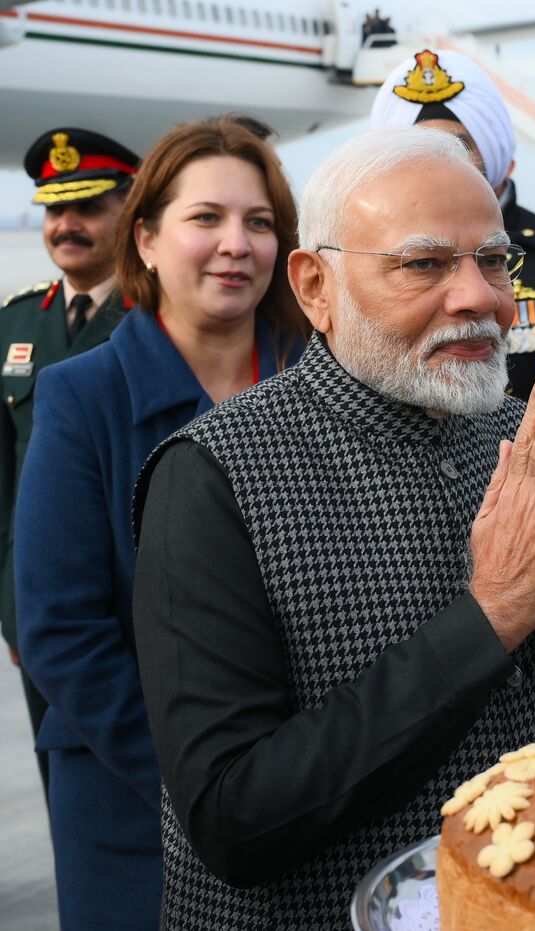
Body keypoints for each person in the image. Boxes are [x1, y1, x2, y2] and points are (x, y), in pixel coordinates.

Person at [129, 127, 535, 930]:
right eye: (423, 264)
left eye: (494, 261)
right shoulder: (213, 476)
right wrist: (491, 618)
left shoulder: (524, 439)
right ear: (315, 286)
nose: (479, 297)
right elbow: (234, 817)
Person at [14, 116, 306, 931]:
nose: (235, 245)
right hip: (135, 795)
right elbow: (61, 629)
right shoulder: (84, 397)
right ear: (144, 240)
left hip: (312, 790)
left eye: (258, 222)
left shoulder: (321, 377)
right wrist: (209, 781)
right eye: (205, 219)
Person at [1, 128, 140, 798]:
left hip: (135, 608)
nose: (65, 225)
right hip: (39, 615)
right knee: (65, 788)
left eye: (86, 207)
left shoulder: (158, 317)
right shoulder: (16, 324)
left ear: (131, 212)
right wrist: (13, 611)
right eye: (55, 210)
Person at [371, 48, 535, 398]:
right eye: (419, 146)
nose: (440, 161)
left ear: (494, 156)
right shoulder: (367, 254)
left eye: (458, 146)